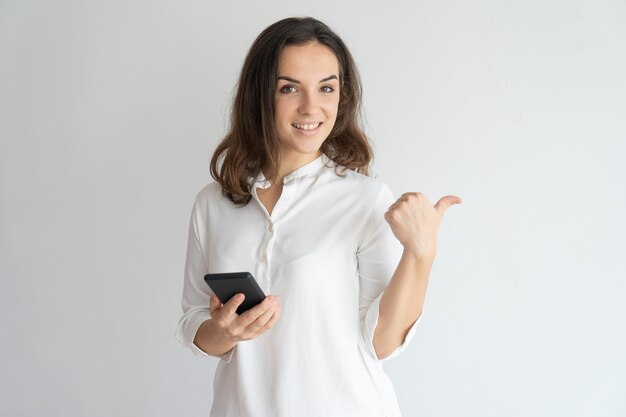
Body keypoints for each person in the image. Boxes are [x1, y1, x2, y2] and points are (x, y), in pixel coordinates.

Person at [176, 16, 462, 417]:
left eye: (326, 88)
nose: (312, 107)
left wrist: (420, 254)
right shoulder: (213, 204)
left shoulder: (365, 199)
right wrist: (222, 333)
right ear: (260, 95)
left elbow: (381, 343)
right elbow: (193, 324)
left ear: (341, 96)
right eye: (289, 88)